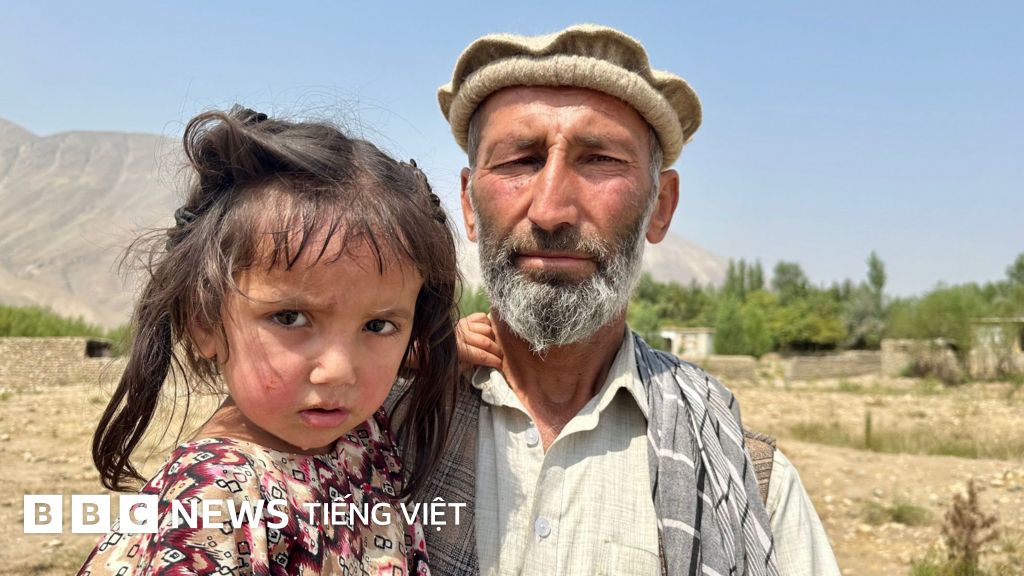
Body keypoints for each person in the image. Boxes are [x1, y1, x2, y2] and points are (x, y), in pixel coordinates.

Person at [411, 24, 842, 576]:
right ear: (470, 206)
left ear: (661, 207)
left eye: (599, 160)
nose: (551, 211)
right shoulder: (367, 429)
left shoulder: (748, 484)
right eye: (520, 160)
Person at [79, 106, 459, 575]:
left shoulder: (348, 429)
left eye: (378, 325)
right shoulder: (215, 505)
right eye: (290, 317)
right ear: (204, 321)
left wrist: (436, 347)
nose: (339, 370)